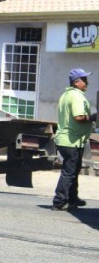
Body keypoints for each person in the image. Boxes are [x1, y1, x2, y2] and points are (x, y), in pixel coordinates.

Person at [52, 68, 96, 211]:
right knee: (69, 171)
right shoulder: (76, 96)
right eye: (84, 80)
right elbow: (78, 117)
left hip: (69, 139)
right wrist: (93, 118)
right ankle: (59, 201)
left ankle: (72, 198)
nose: (87, 82)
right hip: (71, 140)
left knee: (73, 170)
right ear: (76, 82)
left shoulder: (66, 95)